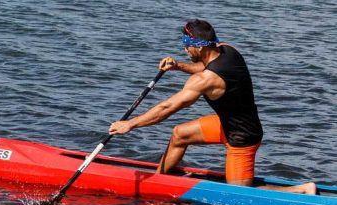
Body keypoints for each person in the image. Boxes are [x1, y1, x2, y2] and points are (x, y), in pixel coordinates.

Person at [109, 19, 316, 194]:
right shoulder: (226, 49)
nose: (184, 49)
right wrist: (178, 65)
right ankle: (159, 180)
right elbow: (204, 65)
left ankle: (301, 190)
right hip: (226, 123)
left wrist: (131, 124)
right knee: (180, 134)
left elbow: (167, 108)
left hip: (242, 136)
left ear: (198, 46)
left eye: (186, 45)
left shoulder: (207, 80)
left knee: (238, 195)